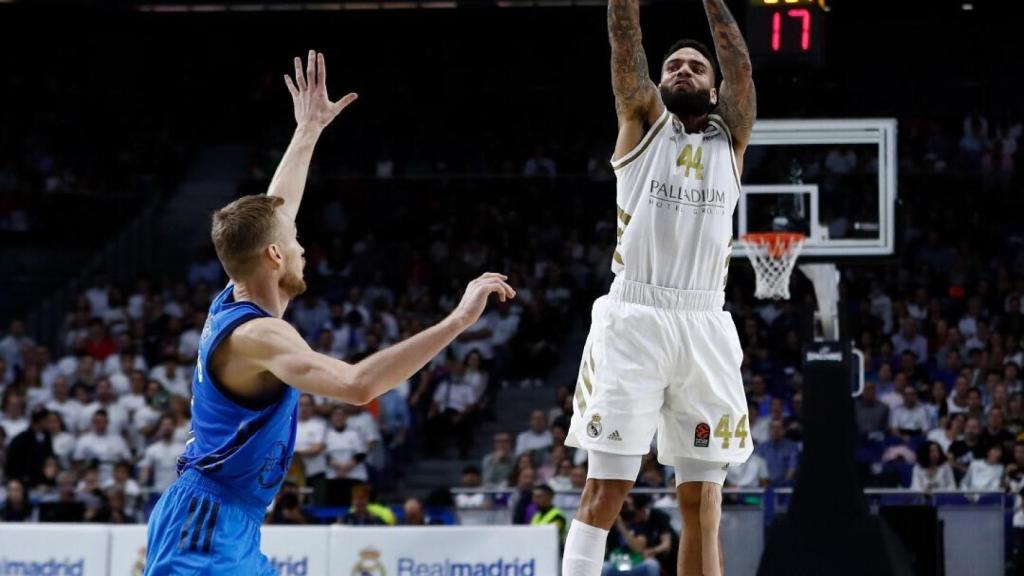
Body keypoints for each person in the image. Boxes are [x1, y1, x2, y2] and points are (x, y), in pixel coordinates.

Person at [144, 51, 515, 575]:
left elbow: (275, 211)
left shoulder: (237, 289)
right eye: (294, 242)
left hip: (226, 519)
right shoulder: (261, 336)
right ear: (274, 257)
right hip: (205, 526)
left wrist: (308, 129)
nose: (302, 247)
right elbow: (359, 385)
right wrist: (456, 321)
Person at [561, 1, 756, 575]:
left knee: (703, 502)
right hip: (636, 317)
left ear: (717, 90)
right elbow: (625, 42)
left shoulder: (732, 138)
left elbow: (741, 67)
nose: (682, 71)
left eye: (696, 66)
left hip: (705, 323)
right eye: (673, 65)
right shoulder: (641, 119)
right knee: (607, 489)